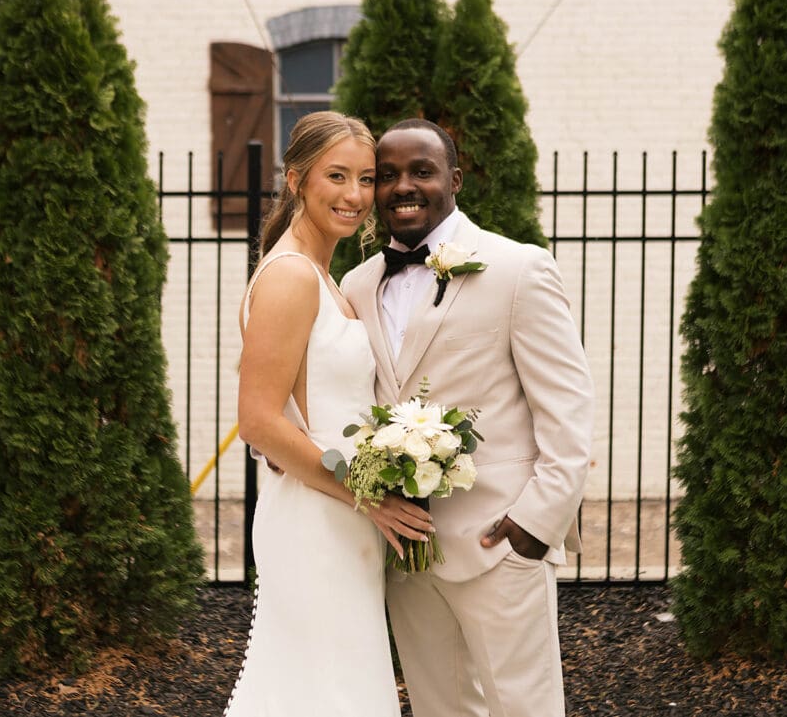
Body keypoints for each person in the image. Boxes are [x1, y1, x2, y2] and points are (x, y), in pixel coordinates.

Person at [342, 118, 595, 717]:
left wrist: (537, 523)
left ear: (454, 180)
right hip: (407, 555)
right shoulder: (357, 284)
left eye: (422, 171)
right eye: (387, 175)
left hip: (499, 543)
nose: (403, 186)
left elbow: (568, 409)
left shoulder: (518, 269)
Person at [224, 111, 433, 716]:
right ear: (296, 180)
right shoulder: (291, 276)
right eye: (336, 176)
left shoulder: (324, 276)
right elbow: (259, 422)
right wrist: (370, 497)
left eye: (365, 179)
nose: (355, 195)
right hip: (315, 521)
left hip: (342, 516)